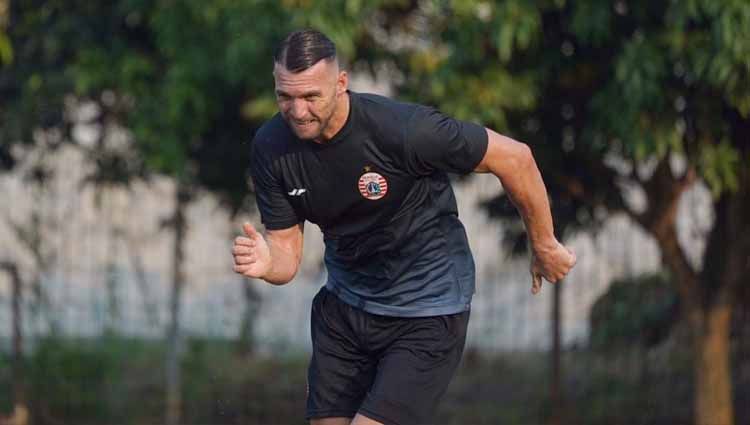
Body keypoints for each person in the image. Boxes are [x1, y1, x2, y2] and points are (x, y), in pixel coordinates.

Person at [232, 29, 576, 425]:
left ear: (341, 84)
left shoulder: (404, 131)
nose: (297, 111)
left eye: (311, 97)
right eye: (285, 97)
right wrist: (266, 262)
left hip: (427, 309)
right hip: (346, 307)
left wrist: (544, 243)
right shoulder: (272, 147)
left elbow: (515, 158)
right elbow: (286, 257)